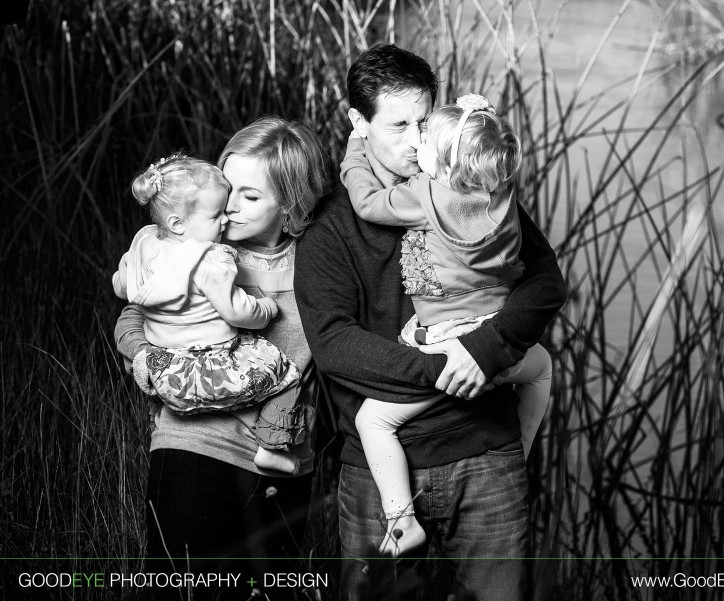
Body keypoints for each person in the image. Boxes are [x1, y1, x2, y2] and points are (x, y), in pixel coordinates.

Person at [294, 43, 566, 600]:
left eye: (425, 121)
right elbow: (333, 344)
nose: (418, 141)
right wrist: (448, 366)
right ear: (357, 123)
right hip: (377, 474)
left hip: (487, 455)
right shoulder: (331, 228)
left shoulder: (466, 187)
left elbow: (545, 283)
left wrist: (485, 352)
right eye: (399, 126)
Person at [114, 117, 329, 596]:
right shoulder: (197, 247)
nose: (229, 208)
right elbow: (132, 318)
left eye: (251, 197)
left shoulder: (321, 261)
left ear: (291, 205)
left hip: (286, 461)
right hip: (195, 446)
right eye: (229, 188)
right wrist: (149, 363)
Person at [340, 94, 553, 556]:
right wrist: (479, 119)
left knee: (372, 421)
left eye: (425, 140)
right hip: (496, 339)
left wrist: (356, 150)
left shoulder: (423, 196)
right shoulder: (502, 195)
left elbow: (367, 201)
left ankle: (401, 520)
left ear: (437, 161)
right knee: (543, 370)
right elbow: (477, 146)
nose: (416, 143)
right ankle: (522, 445)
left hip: (445, 344)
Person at [113, 153, 311, 476]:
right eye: (217, 211)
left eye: (248, 196)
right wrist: (265, 310)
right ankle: (273, 443)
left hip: (172, 366)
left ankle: (155, 412)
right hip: (213, 364)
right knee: (285, 374)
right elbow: (236, 310)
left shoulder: (145, 243)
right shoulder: (212, 259)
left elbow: (123, 286)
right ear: (178, 222)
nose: (227, 215)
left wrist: (147, 356)